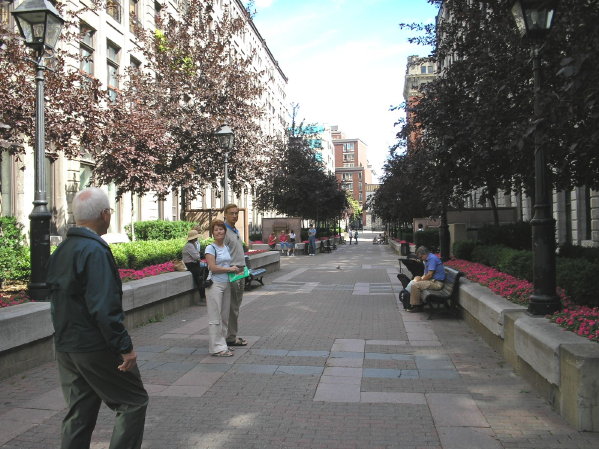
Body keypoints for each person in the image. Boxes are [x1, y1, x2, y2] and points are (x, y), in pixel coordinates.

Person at [46, 187, 148, 449]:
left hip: (67, 345)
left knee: (80, 410)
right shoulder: (95, 251)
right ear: (105, 214)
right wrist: (125, 348)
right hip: (94, 345)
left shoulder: (63, 250)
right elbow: (104, 308)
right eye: (110, 212)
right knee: (133, 402)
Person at [205, 219, 243, 357]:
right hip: (215, 285)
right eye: (216, 230)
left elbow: (228, 265)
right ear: (212, 233)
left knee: (225, 316)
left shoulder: (225, 247)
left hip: (226, 283)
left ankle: (223, 344)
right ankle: (216, 348)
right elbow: (213, 268)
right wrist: (229, 269)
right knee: (215, 318)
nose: (219, 232)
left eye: (221, 229)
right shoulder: (210, 248)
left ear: (225, 232)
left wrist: (235, 270)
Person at [223, 204, 249, 347]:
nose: (234, 216)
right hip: (233, 273)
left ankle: (231, 334)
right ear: (225, 214)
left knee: (236, 305)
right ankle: (230, 337)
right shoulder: (224, 232)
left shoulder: (234, 230)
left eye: (236, 213)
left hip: (241, 272)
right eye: (231, 213)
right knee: (232, 306)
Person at [405, 245, 446, 313]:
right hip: (432, 281)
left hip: (437, 283)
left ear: (425, 254)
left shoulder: (432, 259)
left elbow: (430, 275)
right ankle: (417, 303)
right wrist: (420, 278)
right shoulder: (427, 259)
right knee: (416, 281)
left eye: (421, 257)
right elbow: (425, 274)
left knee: (415, 285)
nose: (421, 259)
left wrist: (420, 280)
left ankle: (416, 306)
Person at [182, 229, 207, 301]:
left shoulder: (192, 244)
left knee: (205, 270)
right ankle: (202, 297)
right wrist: (198, 255)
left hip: (194, 263)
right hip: (191, 265)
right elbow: (197, 257)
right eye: (196, 237)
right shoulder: (189, 245)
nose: (197, 238)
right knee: (199, 278)